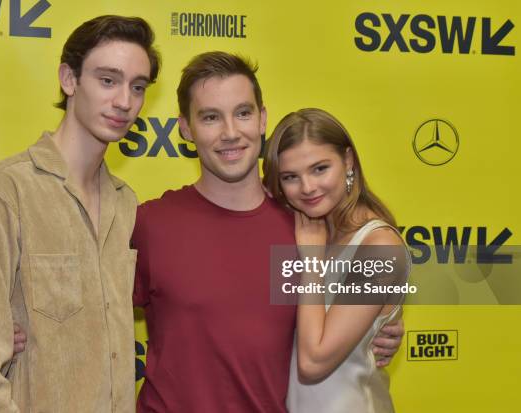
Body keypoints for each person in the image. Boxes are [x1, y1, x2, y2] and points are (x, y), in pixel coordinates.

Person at [132, 52, 404, 412]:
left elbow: (356, 300)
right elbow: (88, 314)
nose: (230, 133)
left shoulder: (307, 223)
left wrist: (381, 326)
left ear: (262, 119)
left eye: (242, 113)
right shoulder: (150, 223)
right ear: (185, 129)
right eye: (211, 117)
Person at [0, 15, 160, 412]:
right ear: (69, 79)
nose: (125, 102)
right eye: (108, 80)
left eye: (138, 87)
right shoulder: (2, 194)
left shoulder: (126, 203)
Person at [262, 108, 408, 412]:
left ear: (348, 160)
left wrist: (312, 261)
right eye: (290, 176)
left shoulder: (379, 245)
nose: (307, 187)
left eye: (319, 168)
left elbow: (314, 362)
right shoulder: (304, 230)